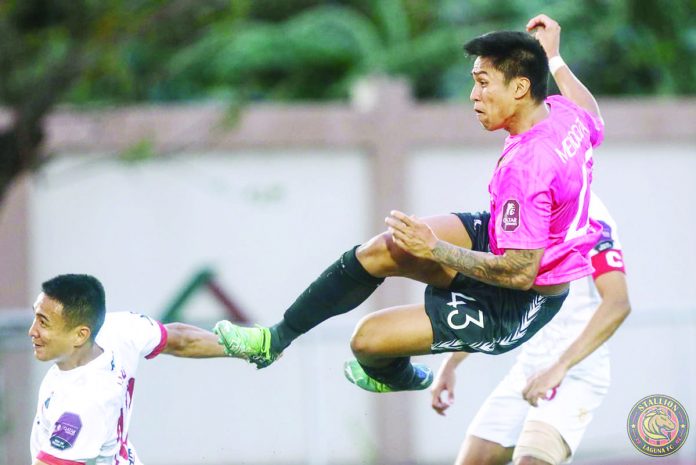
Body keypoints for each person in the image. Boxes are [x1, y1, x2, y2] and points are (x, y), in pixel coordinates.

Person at [215, 14, 605, 393]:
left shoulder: (528, 168)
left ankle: (402, 376)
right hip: (510, 243)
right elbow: (593, 115)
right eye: (474, 81)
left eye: (484, 83)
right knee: (386, 248)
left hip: (522, 300)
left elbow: (520, 273)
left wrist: (435, 249)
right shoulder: (563, 112)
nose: (474, 95)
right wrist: (554, 58)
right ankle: (274, 339)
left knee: (367, 341)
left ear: (519, 89)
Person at [430, 193, 630, 465]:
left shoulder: (588, 213)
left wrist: (560, 366)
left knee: (531, 460)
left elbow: (618, 303)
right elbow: (498, 294)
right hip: (527, 370)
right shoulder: (522, 203)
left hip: (575, 372)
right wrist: (453, 361)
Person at [29, 273, 228, 465]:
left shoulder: (83, 403)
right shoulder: (119, 329)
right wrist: (250, 344)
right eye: (35, 317)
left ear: (80, 335)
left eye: (43, 323)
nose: (32, 331)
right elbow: (182, 339)